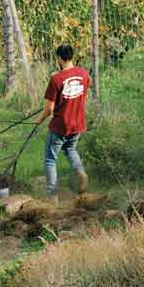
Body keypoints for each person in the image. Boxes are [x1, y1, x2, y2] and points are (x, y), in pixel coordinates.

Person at [39, 44, 90, 196]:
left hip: (61, 126)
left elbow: (49, 109)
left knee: (49, 159)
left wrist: (39, 120)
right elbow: (82, 97)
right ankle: (81, 173)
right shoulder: (84, 74)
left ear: (59, 58)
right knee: (70, 149)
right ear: (72, 56)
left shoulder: (56, 79)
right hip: (78, 124)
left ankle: (51, 195)